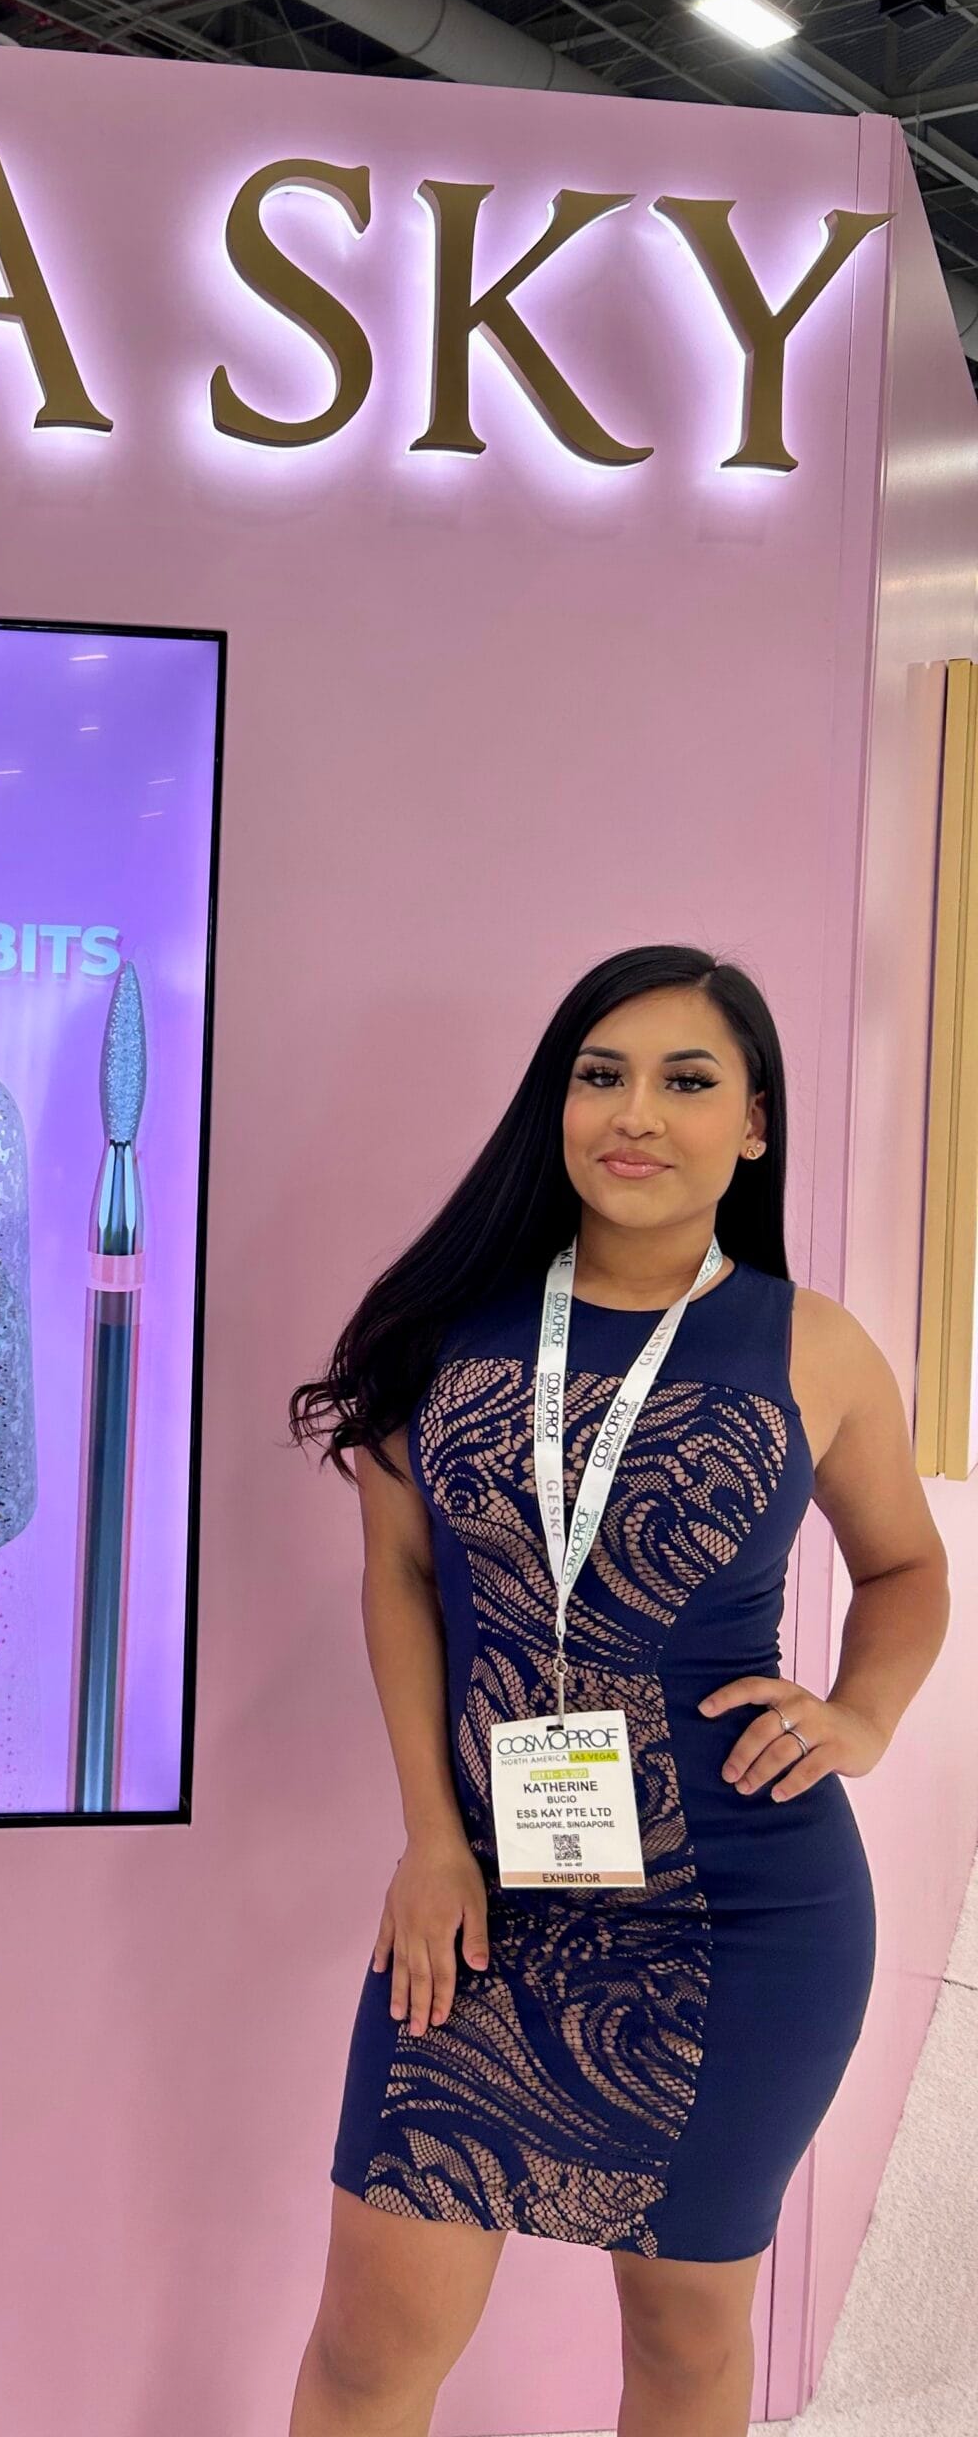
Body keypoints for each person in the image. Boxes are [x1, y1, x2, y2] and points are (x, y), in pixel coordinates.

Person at [284, 944, 951, 2437]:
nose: (636, 1114)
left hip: (744, 1915)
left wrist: (860, 1716)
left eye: (687, 1081)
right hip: (482, 1898)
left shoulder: (811, 1346)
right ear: (560, 1104)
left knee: (686, 2348)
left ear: (754, 1125)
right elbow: (400, 1581)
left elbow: (909, 1570)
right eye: (602, 1076)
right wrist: (430, 1838)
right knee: (367, 2350)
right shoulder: (443, 1329)